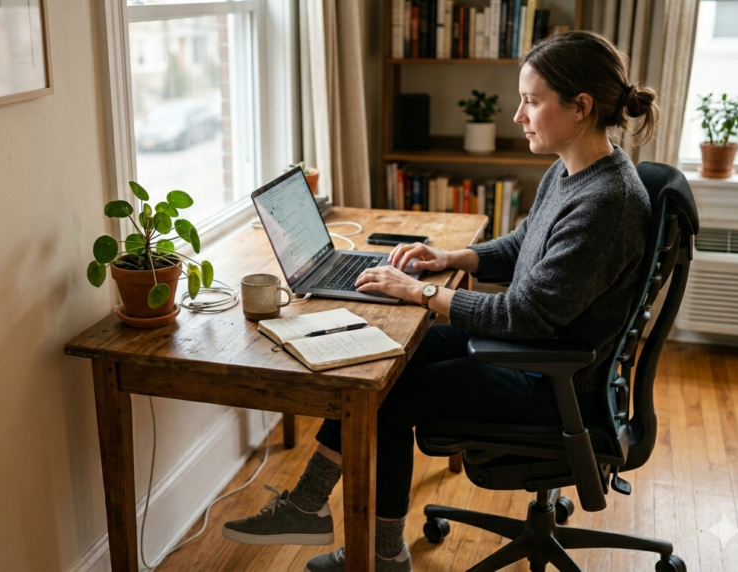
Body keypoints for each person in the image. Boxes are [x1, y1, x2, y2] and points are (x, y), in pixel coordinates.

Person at [221, 30, 660, 572]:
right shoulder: (577, 168)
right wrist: (452, 259)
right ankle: (316, 510)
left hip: (556, 382)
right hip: (540, 351)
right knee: (383, 356)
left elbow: (526, 314)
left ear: (581, 107)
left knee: (388, 393)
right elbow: (525, 244)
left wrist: (420, 293)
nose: (519, 115)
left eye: (532, 100)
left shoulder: (607, 203)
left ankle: (378, 551)